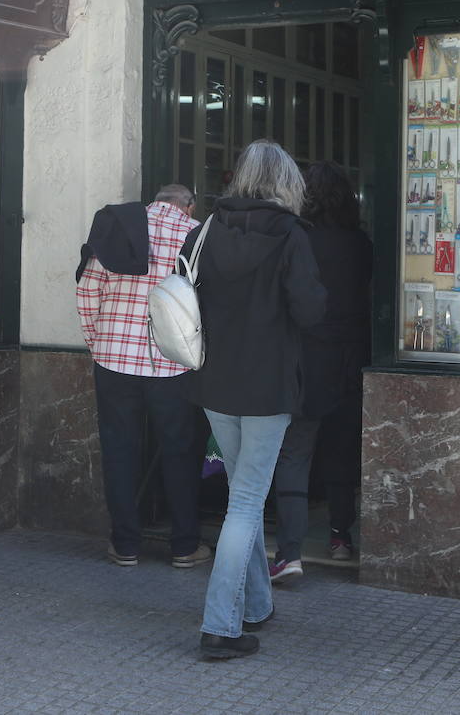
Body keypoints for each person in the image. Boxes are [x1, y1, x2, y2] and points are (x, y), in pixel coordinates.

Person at [184, 140, 326, 660]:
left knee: (239, 498)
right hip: (268, 387)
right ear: (287, 183)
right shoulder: (291, 235)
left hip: (215, 383)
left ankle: (255, 607)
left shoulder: (205, 232)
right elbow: (310, 311)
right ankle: (219, 626)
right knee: (245, 502)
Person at [76, 184, 212, 568]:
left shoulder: (119, 226)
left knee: (119, 451)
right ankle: (185, 546)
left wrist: (97, 341)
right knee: (180, 452)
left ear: (156, 200)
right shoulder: (197, 233)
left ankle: (126, 545)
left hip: (114, 359)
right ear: (188, 206)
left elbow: (88, 290)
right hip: (172, 363)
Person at [269, 161, 372, 584]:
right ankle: (340, 537)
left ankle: (290, 552)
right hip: (349, 359)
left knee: (295, 454)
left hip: (304, 362)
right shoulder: (361, 245)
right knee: (342, 453)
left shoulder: (296, 240)